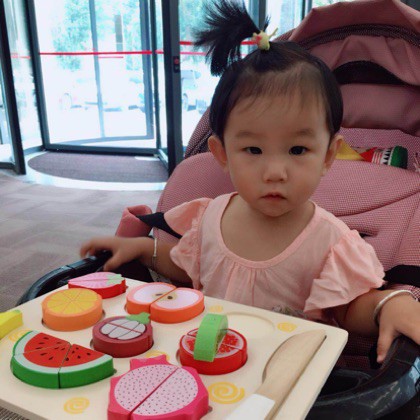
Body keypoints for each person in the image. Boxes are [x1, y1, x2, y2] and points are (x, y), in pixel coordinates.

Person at [80, 0, 419, 363]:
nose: (274, 171)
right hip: (206, 363)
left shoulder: (332, 242)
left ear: (328, 156)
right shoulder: (208, 217)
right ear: (222, 153)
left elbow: (349, 308)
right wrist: (143, 249)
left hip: (288, 376)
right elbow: (188, 267)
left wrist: (386, 304)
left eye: (298, 149)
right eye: (253, 150)